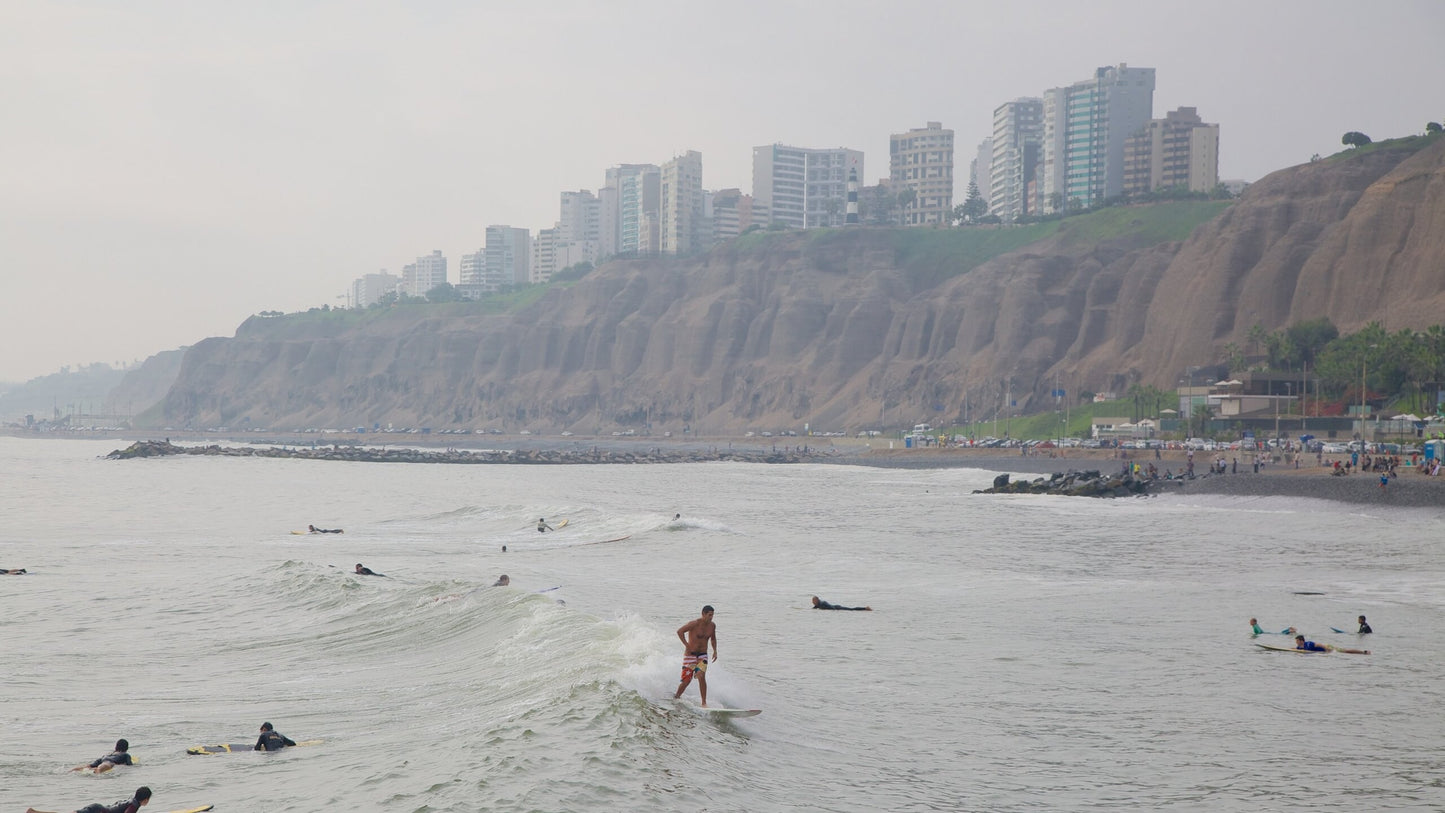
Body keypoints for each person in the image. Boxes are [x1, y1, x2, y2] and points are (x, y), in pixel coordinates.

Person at [673, 605, 718, 707]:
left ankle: (704, 703)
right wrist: (687, 645)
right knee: (686, 681)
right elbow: (680, 631)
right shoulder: (694, 624)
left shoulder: (712, 626)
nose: (711, 617)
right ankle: (676, 697)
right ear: (703, 614)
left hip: (702, 655)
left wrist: (715, 651)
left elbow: (713, 639)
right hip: (690, 655)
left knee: (701, 676)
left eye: (712, 615)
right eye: (709, 615)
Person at [28, 786, 152, 813]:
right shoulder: (134, 806)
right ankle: (34, 812)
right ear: (145, 799)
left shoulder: (132, 800)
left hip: (98, 808)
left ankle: (35, 812)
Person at [1295, 635, 1369, 655]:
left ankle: (1363, 652)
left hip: (1328, 647)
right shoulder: (1299, 647)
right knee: (1345, 651)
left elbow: (1318, 644)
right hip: (1326, 648)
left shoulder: (1308, 643)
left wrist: (1327, 649)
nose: (1296, 642)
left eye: (1297, 641)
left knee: (1346, 651)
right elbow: (1294, 649)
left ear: (1301, 641)